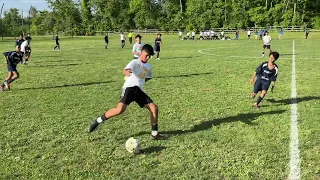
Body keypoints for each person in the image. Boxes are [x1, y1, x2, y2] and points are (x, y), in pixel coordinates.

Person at [88, 44, 166, 140]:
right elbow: (125, 70)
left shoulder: (149, 66)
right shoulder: (134, 62)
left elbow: (149, 76)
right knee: (119, 110)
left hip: (138, 91)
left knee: (154, 108)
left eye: (150, 55)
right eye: (147, 55)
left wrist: (141, 81)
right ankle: (97, 121)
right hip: (129, 88)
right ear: (141, 52)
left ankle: (155, 134)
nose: (148, 57)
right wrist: (127, 73)